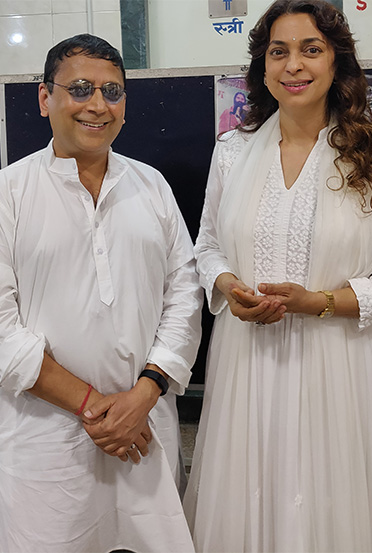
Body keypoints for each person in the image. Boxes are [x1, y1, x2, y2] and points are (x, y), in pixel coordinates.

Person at [184, 1, 372, 551]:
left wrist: (319, 301)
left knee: (329, 503)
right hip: (245, 364)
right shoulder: (232, 151)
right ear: (262, 67)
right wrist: (227, 285)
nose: (294, 65)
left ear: (336, 62)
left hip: (337, 369)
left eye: (311, 49)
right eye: (278, 51)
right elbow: (207, 246)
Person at [0, 34, 202, 553]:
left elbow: (185, 293)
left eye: (112, 91)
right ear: (44, 98)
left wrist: (147, 390)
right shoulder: (9, 193)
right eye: (80, 89)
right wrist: (96, 407)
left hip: (145, 429)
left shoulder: (151, 186)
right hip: (46, 443)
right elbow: (2, 331)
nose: (97, 105)